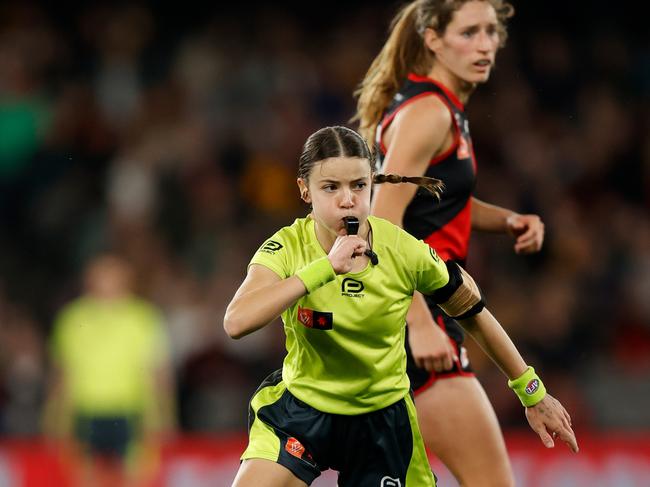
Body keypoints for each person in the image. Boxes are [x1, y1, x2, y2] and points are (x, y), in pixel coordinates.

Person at [223, 125, 577, 487]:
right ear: (304, 190)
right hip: (301, 412)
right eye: (331, 187)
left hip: (381, 422)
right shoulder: (287, 247)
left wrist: (532, 392)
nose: (348, 200)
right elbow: (236, 321)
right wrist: (324, 269)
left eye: (359, 186)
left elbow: (474, 315)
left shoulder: (404, 250)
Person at [354, 1, 550, 485]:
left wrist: (506, 220)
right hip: (412, 320)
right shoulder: (430, 113)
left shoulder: (437, 105)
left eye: (491, 32)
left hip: (397, 317)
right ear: (434, 40)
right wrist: (419, 322)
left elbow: (441, 201)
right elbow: (382, 218)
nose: (484, 44)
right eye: (469, 33)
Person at [44, 253, 175, 487]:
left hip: (130, 411)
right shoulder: (72, 319)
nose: (107, 281)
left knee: (137, 479)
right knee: (84, 479)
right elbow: (62, 372)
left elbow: (157, 372)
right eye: (101, 275)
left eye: (113, 275)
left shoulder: (143, 318)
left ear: (127, 279)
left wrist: (163, 416)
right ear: (89, 280)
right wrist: (54, 416)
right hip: (86, 411)